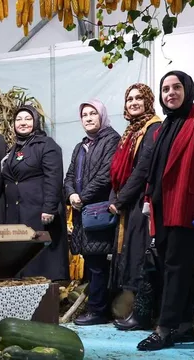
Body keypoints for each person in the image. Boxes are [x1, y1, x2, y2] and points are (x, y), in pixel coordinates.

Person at [137, 71, 194, 351]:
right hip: (163, 209)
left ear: (187, 89)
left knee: (175, 266)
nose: (170, 93)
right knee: (171, 266)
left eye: (176, 87)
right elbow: (156, 169)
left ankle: (164, 329)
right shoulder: (164, 127)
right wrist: (149, 201)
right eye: (165, 89)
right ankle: (184, 327)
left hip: (191, 211)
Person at [0, 105, 69, 281]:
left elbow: (54, 177)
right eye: (19, 119)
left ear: (35, 122)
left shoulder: (47, 145)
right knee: (24, 258)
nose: (23, 123)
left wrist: (49, 208)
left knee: (43, 257)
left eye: (27, 119)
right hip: (18, 214)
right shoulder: (14, 150)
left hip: (39, 212)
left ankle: (49, 296)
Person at [107, 84, 162, 331]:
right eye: (129, 98)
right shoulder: (132, 131)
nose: (134, 102)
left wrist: (120, 201)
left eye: (140, 97)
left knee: (141, 257)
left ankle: (141, 316)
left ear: (149, 101)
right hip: (132, 201)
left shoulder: (153, 128)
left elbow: (143, 169)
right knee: (132, 255)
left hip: (143, 201)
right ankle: (135, 313)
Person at [64, 100, 121, 325]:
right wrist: (70, 195)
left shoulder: (111, 140)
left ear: (102, 116)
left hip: (98, 212)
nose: (88, 118)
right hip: (81, 211)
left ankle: (99, 311)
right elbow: (69, 176)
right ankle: (96, 308)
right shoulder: (81, 146)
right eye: (84, 115)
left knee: (98, 264)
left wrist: (82, 196)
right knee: (91, 260)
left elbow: (106, 174)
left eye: (92, 113)